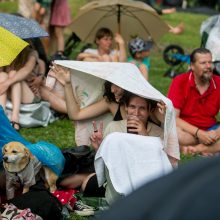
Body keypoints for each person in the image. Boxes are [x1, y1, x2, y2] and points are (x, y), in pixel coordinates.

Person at [167, 48, 220, 155]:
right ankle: (208, 147)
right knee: (174, 134)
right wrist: (199, 133)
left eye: (210, 62)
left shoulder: (218, 82)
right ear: (192, 66)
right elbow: (174, 118)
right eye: (203, 63)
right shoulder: (180, 81)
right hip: (186, 130)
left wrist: (216, 134)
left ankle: (197, 149)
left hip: (211, 130)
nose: (208, 66)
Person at [0, 45, 45, 131]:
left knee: (13, 74)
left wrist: (7, 83)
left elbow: (25, 71)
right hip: (8, 93)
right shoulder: (4, 50)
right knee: (2, 75)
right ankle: (2, 115)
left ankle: (15, 118)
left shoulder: (31, 53)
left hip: (29, 96)